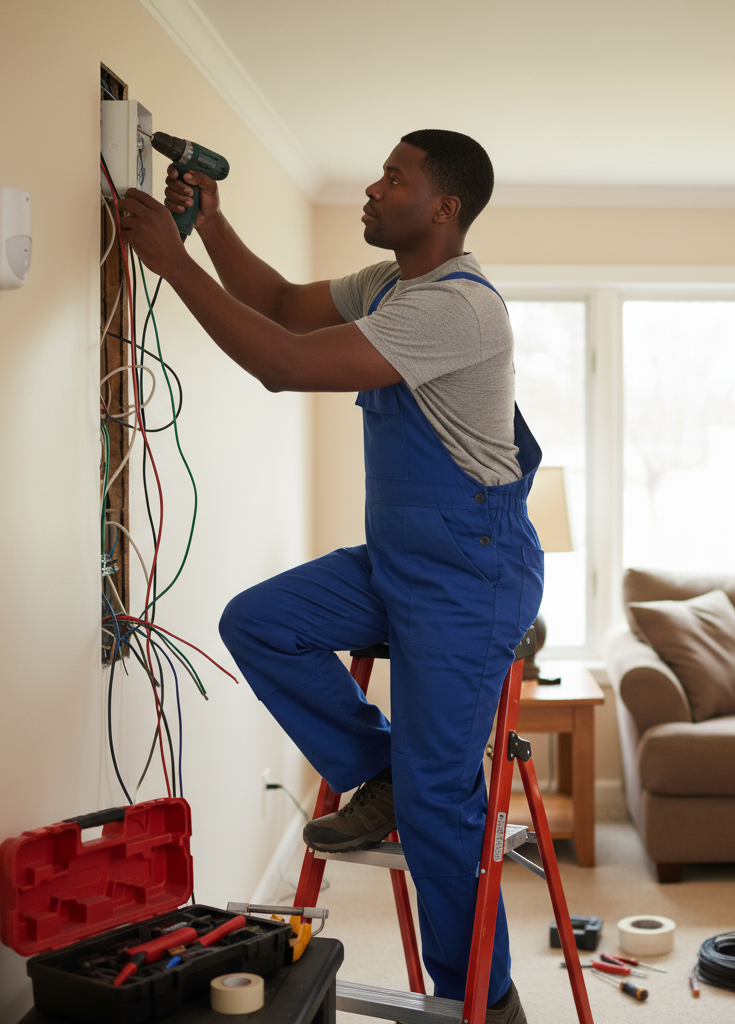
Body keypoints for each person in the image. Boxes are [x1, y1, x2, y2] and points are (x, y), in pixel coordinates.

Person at [120, 129, 542, 1024]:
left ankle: (485, 1001)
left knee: (443, 805)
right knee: (260, 622)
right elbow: (276, 301)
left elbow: (285, 364)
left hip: (473, 572)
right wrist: (211, 227)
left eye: (396, 177)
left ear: (445, 208)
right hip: (398, 562)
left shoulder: (459, 308)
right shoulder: (390, 285)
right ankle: (379, 771)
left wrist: (172, 265)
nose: (374, 187)